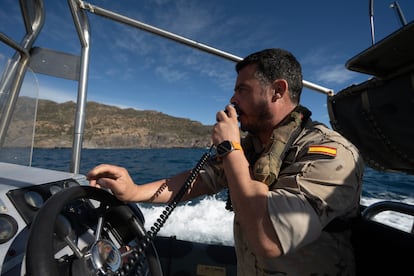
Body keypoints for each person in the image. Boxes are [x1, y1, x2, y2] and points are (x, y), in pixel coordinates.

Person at [87, 48, 364, 275]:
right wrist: (135, 191)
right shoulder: (251, 148)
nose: (232, 99)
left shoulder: (331, 152)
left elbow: (269, 237)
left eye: (242, 89)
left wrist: (230, 147)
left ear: (277, 91)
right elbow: (199, 179)